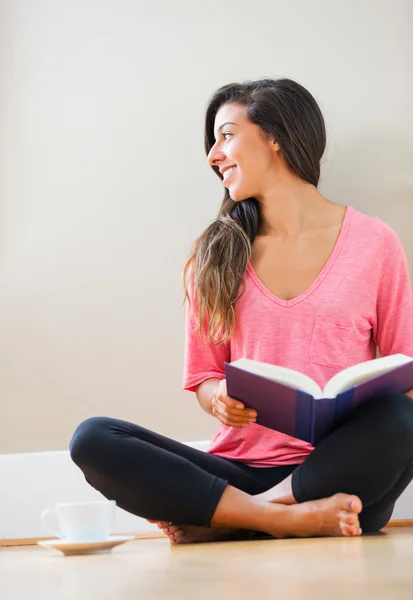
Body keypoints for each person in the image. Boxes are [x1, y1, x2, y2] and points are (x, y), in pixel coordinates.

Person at [70, 78, 413, 544]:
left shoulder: (375, 243)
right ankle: (280, 518)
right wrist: (219, 399)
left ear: (276, 137)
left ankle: (242, 518)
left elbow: (406, 372)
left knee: (400, 415)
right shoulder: (216, 253)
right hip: (238, 472)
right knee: (94, 439)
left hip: (339, 472)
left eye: (226, 135)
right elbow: (204, 377)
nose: (213, 155)